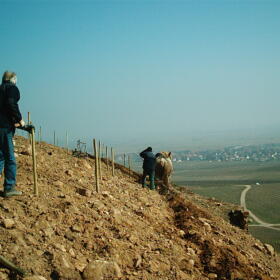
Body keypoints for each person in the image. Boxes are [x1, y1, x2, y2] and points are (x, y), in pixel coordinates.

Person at [0, 71, 25, 197]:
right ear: (13, 79)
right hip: (4, 128)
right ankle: (9, 187)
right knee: (10, 158)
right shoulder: (12, 89)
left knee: (1, 156)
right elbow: (11, 103)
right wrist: (19, 119)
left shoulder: (1, 89)